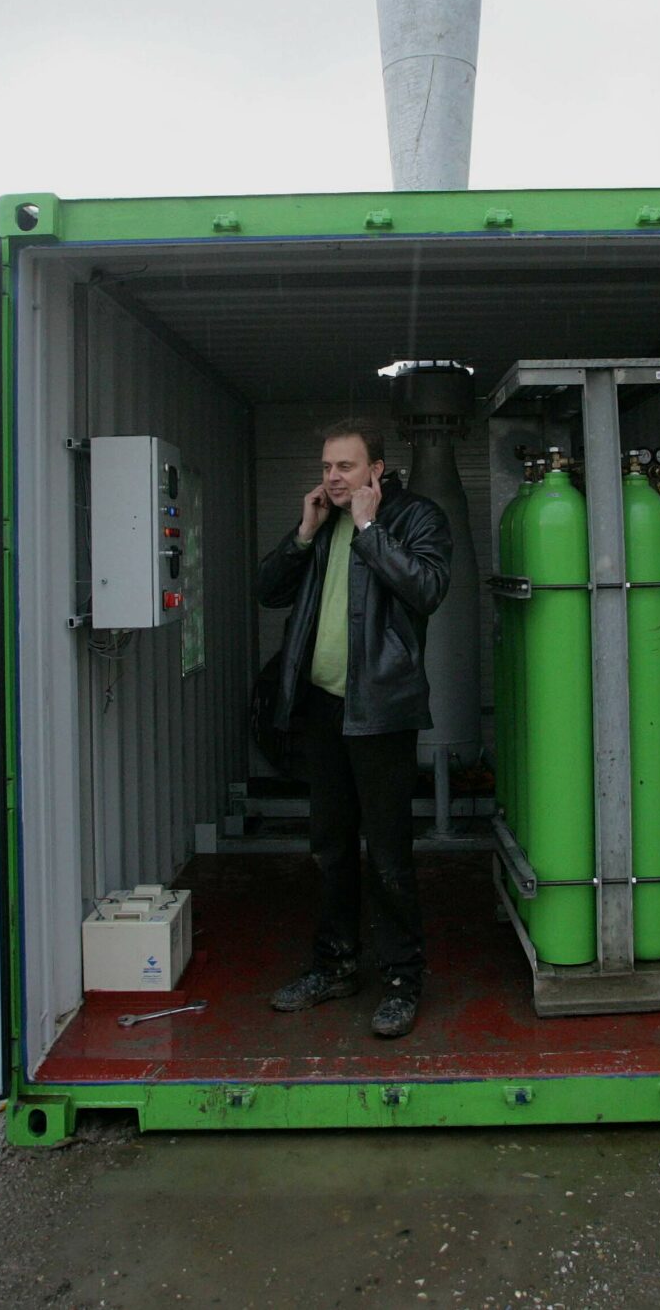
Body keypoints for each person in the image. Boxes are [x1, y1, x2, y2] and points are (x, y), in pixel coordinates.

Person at [254, 418, 452, 1038]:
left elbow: (427, 589)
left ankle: (402, 978)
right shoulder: (322, 523)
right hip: (324, 708)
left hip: (381, 712)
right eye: (326, 467)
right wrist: (303, 533)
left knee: (388, 853)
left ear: (376, 471)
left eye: (345, 467)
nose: (332, 478)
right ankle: (336, 965)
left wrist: (370, 528)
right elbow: (268, 590)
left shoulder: (416, 518)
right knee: (331, 846)